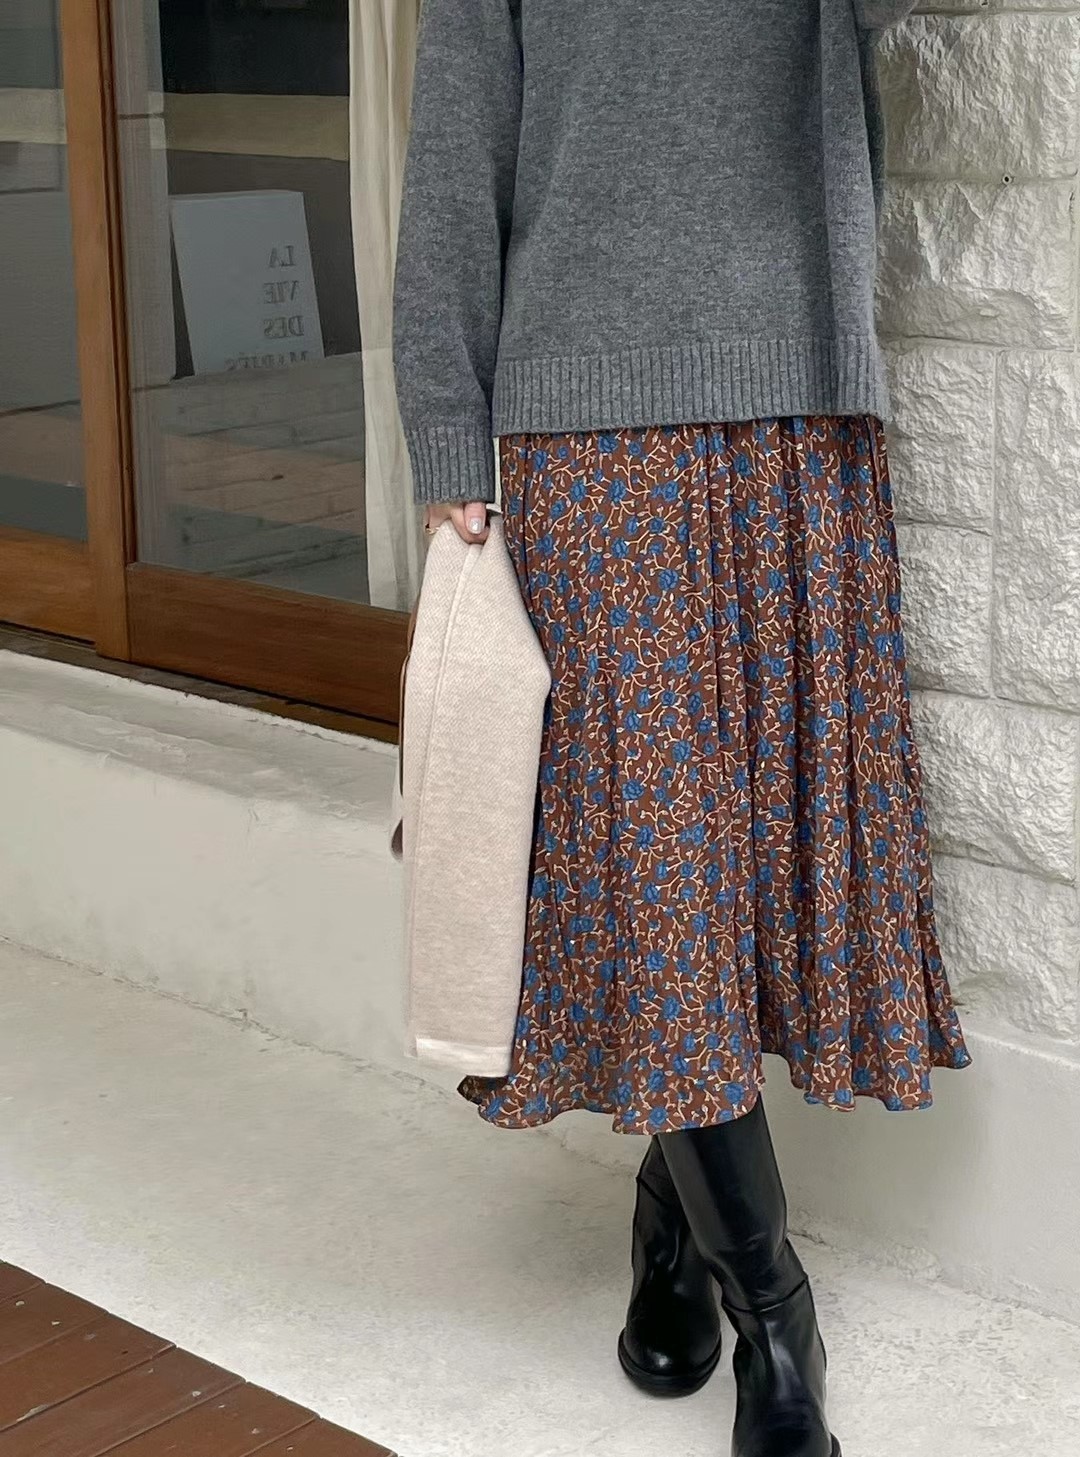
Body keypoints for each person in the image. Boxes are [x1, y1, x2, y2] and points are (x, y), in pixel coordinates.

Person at [392, 3, 971, 1454]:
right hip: (582, 425)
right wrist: (446, 421)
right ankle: (774, 1311)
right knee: (663, 874)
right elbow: (457, 147)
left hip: (792, 399)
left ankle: (672, 1207)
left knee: (742, 867)